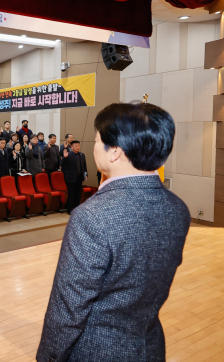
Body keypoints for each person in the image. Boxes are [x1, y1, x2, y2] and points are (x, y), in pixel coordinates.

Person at [36, 103, 190, 362]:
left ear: (114, 152)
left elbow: (68, 307)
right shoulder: (178, 209)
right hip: (148, 346)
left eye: (97, 140)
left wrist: (49, 357)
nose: (93, 146)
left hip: (96, 350)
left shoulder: (92, 216)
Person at [61, 140, 87, 214]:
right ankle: (70, 210)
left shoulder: (82, 155)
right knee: (71, 194)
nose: (77, 147)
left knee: (78, 194)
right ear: (71, 146)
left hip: (79, 178)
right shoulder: (68, 154)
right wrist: (64, 157)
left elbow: (84, 166)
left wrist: (86, 174)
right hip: (70, 178)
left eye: (78, 145)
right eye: (75, 146)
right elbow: (62, 164)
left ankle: (76, 209)